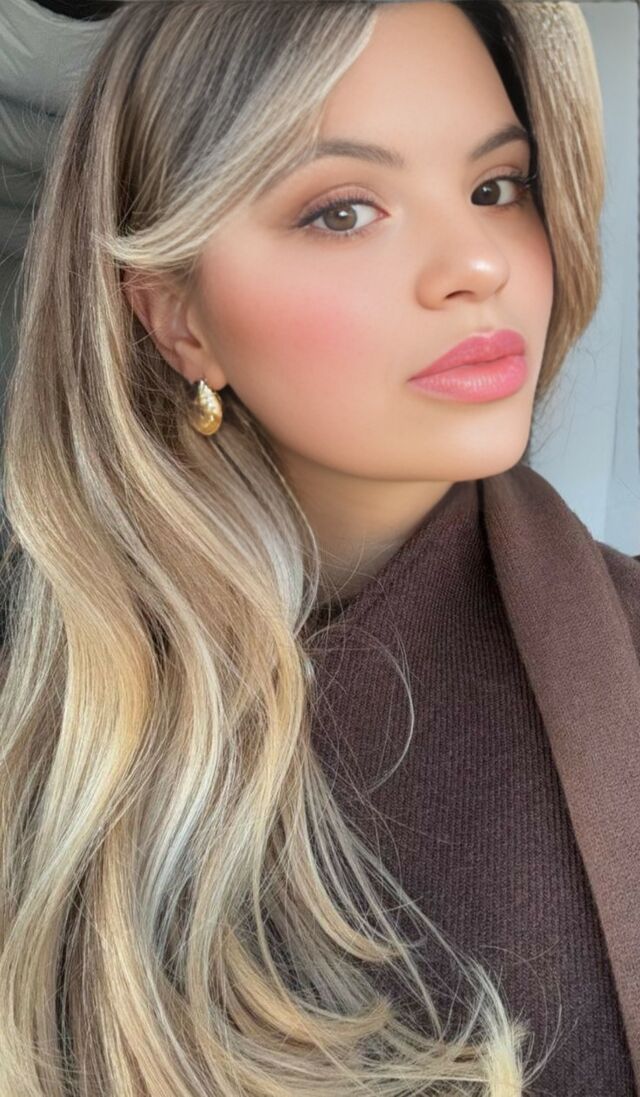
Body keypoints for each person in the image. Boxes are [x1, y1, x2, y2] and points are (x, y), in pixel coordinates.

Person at [0, 1, 633, 1094]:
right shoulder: (39, 695)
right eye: (343, 211)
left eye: (496, 187)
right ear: (177, 320)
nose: (477, 261)